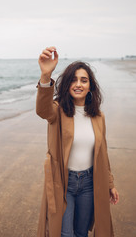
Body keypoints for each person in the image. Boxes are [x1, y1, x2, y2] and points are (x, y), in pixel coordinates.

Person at [36, 46, 119, 237]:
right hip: (64, 182)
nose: (78, 84)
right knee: (65, 233)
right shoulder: (57, 111)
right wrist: (46, 76)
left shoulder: (98, 116)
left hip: (89, 182)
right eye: (73, 79)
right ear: (66, 84)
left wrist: (110, 184)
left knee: (81, 232)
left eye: (84, 80)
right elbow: (42, 109)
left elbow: (102, 154)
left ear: (90, 86)